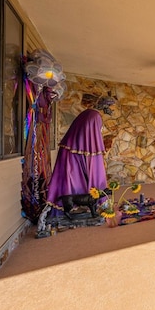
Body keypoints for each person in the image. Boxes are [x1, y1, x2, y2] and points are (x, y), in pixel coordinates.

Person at [36, 96, 115, 235]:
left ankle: (72, 208)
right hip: (73, 169)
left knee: (70, 183)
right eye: (99, 127)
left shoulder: (72, 144)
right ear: (91, 127)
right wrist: (103, 199)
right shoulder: (89, 147)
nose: (100, 131)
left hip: (70, 165)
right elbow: (96, 173)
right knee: (72, 183)